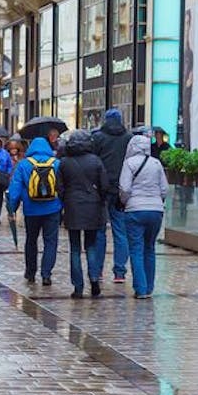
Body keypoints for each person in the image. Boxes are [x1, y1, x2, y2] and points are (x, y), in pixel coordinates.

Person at [58, 130, 111, 298]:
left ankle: (78, 287)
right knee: (91, 246)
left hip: (73, 207)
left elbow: (59, 188)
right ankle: (94, 280)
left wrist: (65, 201)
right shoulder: (95, 161)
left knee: (74, 248)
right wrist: (100, 200)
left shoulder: (64, 162)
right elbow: (104, 185)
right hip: (92, 206)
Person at [6, 136, 64, 286]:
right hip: (53, 209)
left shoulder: (24, 165)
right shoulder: (57, 164)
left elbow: (15, 189)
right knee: (50, 242)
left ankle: (30, 272)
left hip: (31, 210)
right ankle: (46, 274)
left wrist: (12, 208)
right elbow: (63, 187)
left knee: (31, 240)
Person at [118, 133, 169, 299]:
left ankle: (140, 289)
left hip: (135, 210)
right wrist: (157, 202)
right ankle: (149, 287)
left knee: (136, 249)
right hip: (156, 211)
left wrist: (126, 202)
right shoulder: (156, 163)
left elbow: (124, 188)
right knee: (150, 248)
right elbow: (164, 189)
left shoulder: (129, 163)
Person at [93, 108, 134, 283]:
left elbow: (93, 161)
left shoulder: (98, 137)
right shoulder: (128, 138)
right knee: (121, 231)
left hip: (101, 189)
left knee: (100, 231)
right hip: (120, 189)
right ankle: (119, 272)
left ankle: (98, 270)